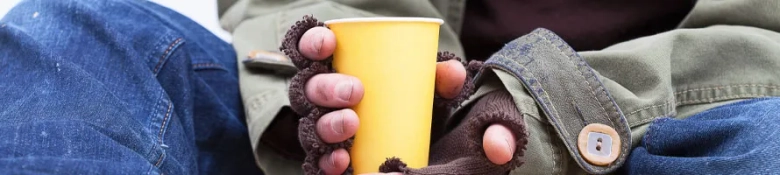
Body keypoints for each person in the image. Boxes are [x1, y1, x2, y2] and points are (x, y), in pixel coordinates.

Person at [224, 0, 780, 174]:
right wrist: (323, 71)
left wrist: (544, 115)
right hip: (426, 131)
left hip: (679, 127)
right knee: (140, 43)